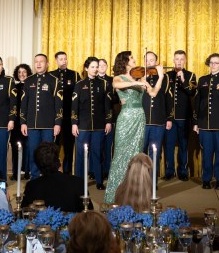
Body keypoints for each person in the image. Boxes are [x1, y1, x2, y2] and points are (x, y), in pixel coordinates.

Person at [105, 52, 162, 203]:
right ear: (124, 62)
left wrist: (160, 77)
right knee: (121, 155)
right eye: (131, 58)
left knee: (136, 155)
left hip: (139, 117)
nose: (135, 60)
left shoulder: (140, 76)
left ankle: (134, 195)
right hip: (126, 117)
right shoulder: (119, 77)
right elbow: (116, 85)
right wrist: (136, 83)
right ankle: (115, 195)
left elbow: (153, 93)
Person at [16, 54, 62, 180]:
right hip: (32, 125)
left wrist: (58, 123)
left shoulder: (54, 81)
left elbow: (59, 104)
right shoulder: (29, 81)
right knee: (33, 152)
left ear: (47, 64)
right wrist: (23, 122)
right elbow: (23, 104)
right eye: (36, 61)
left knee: (48, 153)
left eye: (41, 61)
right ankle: (35, 177)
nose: (38, 64)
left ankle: (49, 177)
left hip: (48, 125)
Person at [71, 56, 114, 191]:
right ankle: (79, 181)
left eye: (97, 67)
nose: (95, 69)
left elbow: (108, 105)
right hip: (83, 126)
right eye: (93, 67)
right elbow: (74, 106)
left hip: (99, 125)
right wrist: (74, 123)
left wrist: (108, 122)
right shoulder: (79, 85)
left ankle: (99, 181)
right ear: (86, 68)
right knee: (81, 154)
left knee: (97, 152)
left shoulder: (104, 84)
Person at [193, 53, 219, 190]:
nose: (213, 65)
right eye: (211, 62)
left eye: (216, 63)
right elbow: (198, 102)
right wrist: (196, 122)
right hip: (204, 123)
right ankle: (206, 179)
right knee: (206, 153)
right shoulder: (202, 79)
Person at [163, 50, 197, 181]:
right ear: (173, 60)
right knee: (169, 145)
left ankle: (183, 171)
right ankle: (169, 171)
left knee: (183, 145)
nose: (179, 61)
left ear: (185, 60)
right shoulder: (166, 76)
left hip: (184, 117)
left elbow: (192, 93)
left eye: (182, 59)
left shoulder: (191, 75)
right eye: (177, 59)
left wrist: (183, 80)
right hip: (170, 118)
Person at [22, 142, 84, 212]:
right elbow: (88, 214)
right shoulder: (77, 182)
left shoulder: (32, 186)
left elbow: (25, 214)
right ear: (59, 161)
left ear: (37, 165)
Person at [139, 51, 169, 177]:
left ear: (156, 62)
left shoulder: (165, 77)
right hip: (142, 121)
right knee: (141, 152)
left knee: (155, 153)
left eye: (152, 60)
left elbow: (167, 98)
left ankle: (152, 181)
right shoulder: (139, 77)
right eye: (147, 60)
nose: (149, 63)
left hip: (158, 121)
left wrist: (169, 118)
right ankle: (141, 179)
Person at [50, 51, 79, 174]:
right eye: (61, 59)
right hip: (54, 118)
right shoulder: (50, 75)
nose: (64, 61)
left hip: (68, 117)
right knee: (53, 147)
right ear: (56, 61)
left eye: (65, 59)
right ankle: (52, 172)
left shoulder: (75, 75)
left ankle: (67, 173)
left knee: (68, 147)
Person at [8, 62, 32, 180]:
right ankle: (15, 172)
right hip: (16, 122)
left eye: (24, 72)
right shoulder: (13, 88)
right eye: (19, 72)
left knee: (27, 147)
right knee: (15, 147)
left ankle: (27, 171)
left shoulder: (32, 86)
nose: (22, 74)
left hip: (28, 121)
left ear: (28, 73)